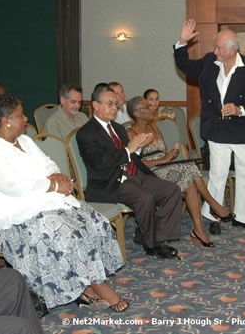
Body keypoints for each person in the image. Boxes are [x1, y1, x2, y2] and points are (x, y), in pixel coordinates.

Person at [0, 94, 128, 311]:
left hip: (45, 204)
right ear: (7, 120)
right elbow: (14, 185)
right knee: (67, 234)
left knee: (94, 222)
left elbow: (49, 165)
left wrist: (58, 177)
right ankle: (99, 286)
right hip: (16, 218)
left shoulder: (26, 141)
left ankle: (82, 285)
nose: (26, 118)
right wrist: (54, 186)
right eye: (20, 115)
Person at [174, 19, 245, 233]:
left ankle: (242, 217)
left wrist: (239, 109)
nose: (215, 51)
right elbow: (185, 66)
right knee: (218, 174)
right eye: (215, 47)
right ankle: (215, 215)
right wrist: (182, 42)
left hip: (243, 130)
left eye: (219, 48)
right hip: (217, 129)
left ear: (232, 50)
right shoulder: (209, 62)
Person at [76, 85, 182, 259]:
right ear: (95, 105)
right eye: (109, 104)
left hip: (133, 174)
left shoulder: (117, 128)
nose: (114, 108)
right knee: (145, 198)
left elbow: (131, 155)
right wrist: (128, 149)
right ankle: (153, 245)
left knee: (172, 190)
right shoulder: (86, 133)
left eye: (116, 104)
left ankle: (156, 236)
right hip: (111, 181)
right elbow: (99, 162)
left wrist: (138, 148)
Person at [127, 96, 234, 247]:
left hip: (166, 166)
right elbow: (137, 164)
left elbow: (163, 151)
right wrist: (162, 161)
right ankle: (213, 205)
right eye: (147, 107)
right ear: (137, 113)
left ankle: (199, 230)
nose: (152, 109)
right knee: (190, 169)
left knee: (190, 182)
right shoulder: (130, 134)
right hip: (151, 172)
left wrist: (170, 155)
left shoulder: (154, 128)